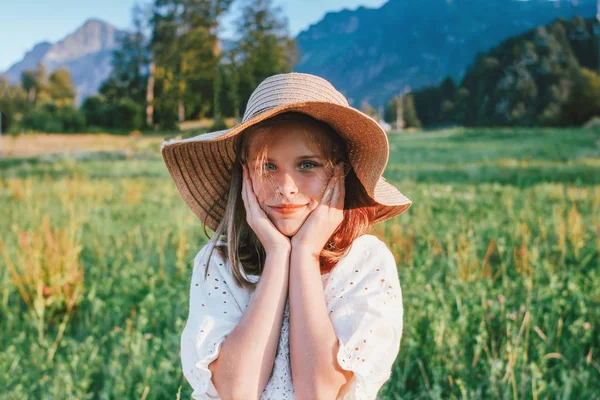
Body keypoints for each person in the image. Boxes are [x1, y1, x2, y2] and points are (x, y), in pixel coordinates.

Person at [161, 72, 412, 400]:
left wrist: (305, 253)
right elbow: (237, 392)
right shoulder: (221, 261)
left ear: (339, 173)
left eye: (307, 165)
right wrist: (279, 255)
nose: (286, 188)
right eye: (268, 166)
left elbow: (320, 393)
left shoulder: (365, 262)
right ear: (245, 174)